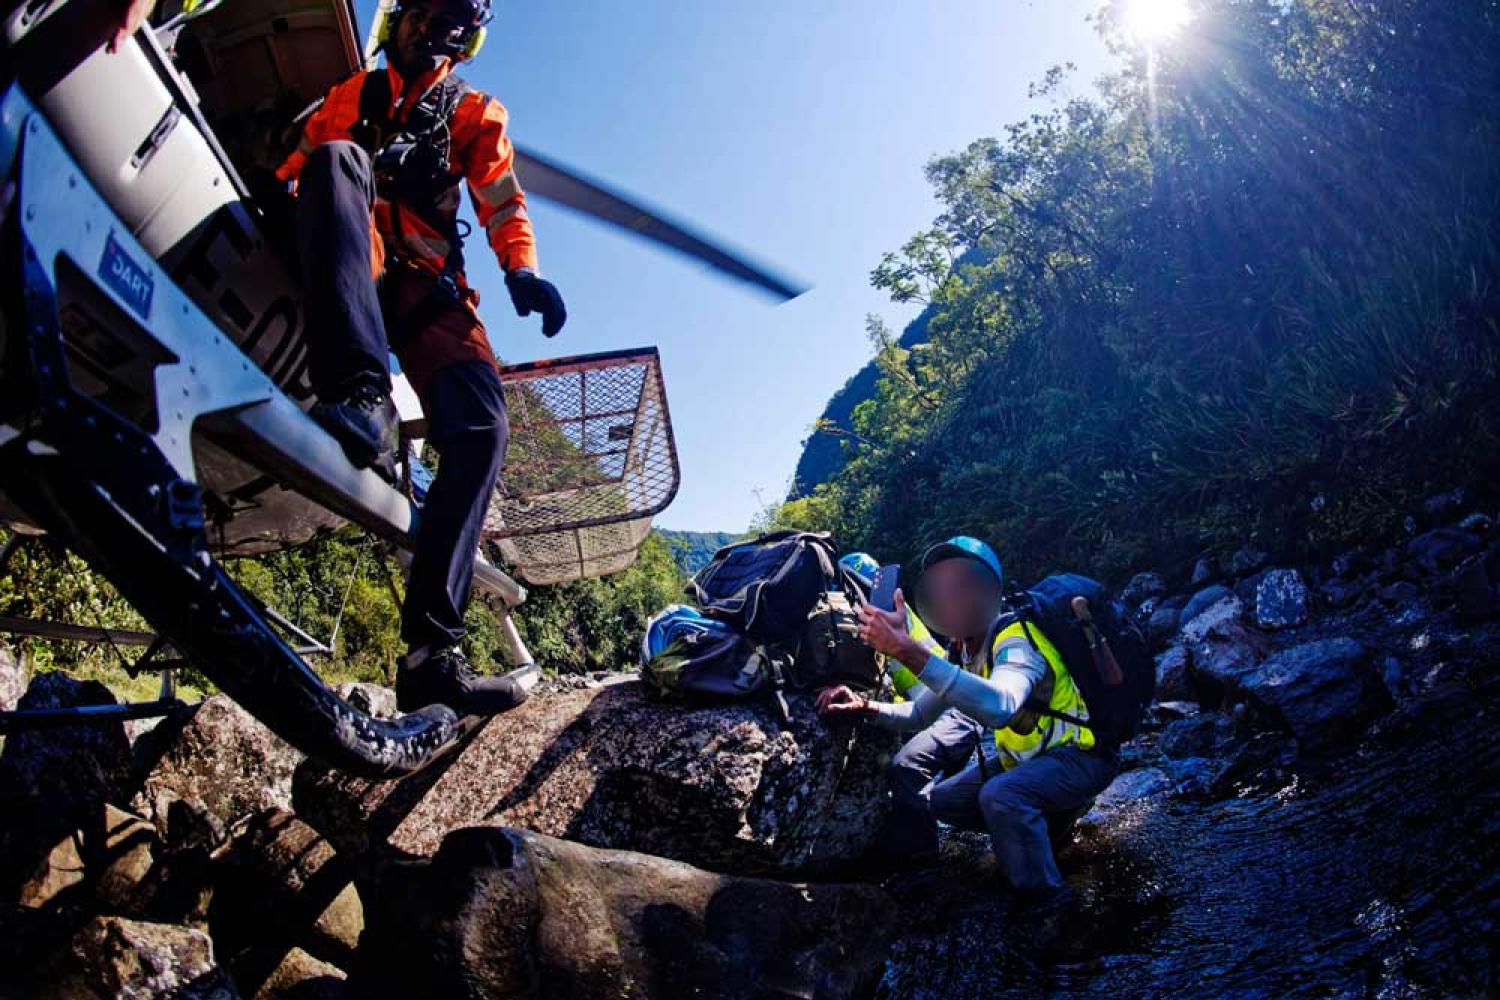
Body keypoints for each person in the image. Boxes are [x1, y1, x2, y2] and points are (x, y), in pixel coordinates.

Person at [276, 0, 566, 715]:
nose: (434, 34)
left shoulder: (472, 111)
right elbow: (292, 174)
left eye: (452, 25)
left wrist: (521, 271)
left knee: (481, 427)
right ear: (398, 19)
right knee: (336, 158)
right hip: (355, 269)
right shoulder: (351, 97)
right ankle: (361, 394)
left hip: (429, 287)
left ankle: (431, 654)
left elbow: (502, 200)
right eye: (427, 16)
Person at [817, 536, 1120, 913]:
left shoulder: (1016, 637)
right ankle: (1052, 828)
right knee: (941, 801)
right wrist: (865, 706)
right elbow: (918, 715)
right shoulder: (964, 650)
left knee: (1003, 796)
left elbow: (1002, 705)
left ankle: (1049, 900)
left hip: (1083, 756)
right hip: (1033, 762)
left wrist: (906, 651)